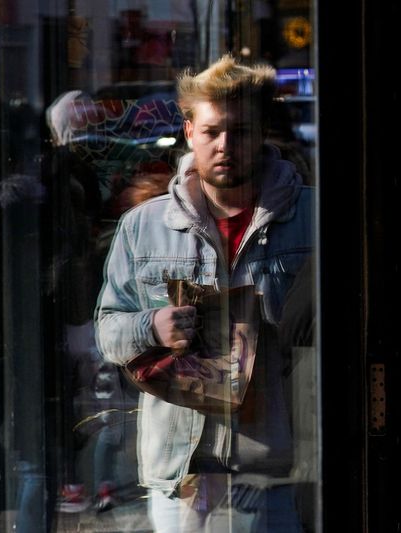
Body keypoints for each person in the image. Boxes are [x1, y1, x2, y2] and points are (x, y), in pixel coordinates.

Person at [95, 55, 312, 532]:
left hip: (275, 469)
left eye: (241, 131)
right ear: (190, 132)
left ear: (261, 134)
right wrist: (150, 325)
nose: (226, 145)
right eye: (213, 131)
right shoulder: (145, 226)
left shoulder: (310, 219)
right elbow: (108, 333)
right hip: (181, 468)